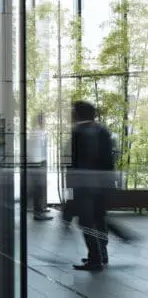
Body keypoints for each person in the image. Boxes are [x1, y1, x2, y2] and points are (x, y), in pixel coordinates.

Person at [65, 101, 114, 271]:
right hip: (102, 186)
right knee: (99, 220)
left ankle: (95, 259)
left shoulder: (79, 132)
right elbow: (109, 161)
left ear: (78, 114)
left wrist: (70, 189)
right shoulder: (103, 131)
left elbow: (75, 164)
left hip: (84, 186)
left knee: (86, 222)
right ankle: (102, 254)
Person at [27, 113, 53, 221]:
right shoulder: (36, 132)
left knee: (40, 187)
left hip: (40, 162)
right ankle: (37, 212)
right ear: (39, 121)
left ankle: (39, 209)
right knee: (38, 188)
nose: (46, 122)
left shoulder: (39, 131)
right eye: (44, 119)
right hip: (37, 163)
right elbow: (34, 148)